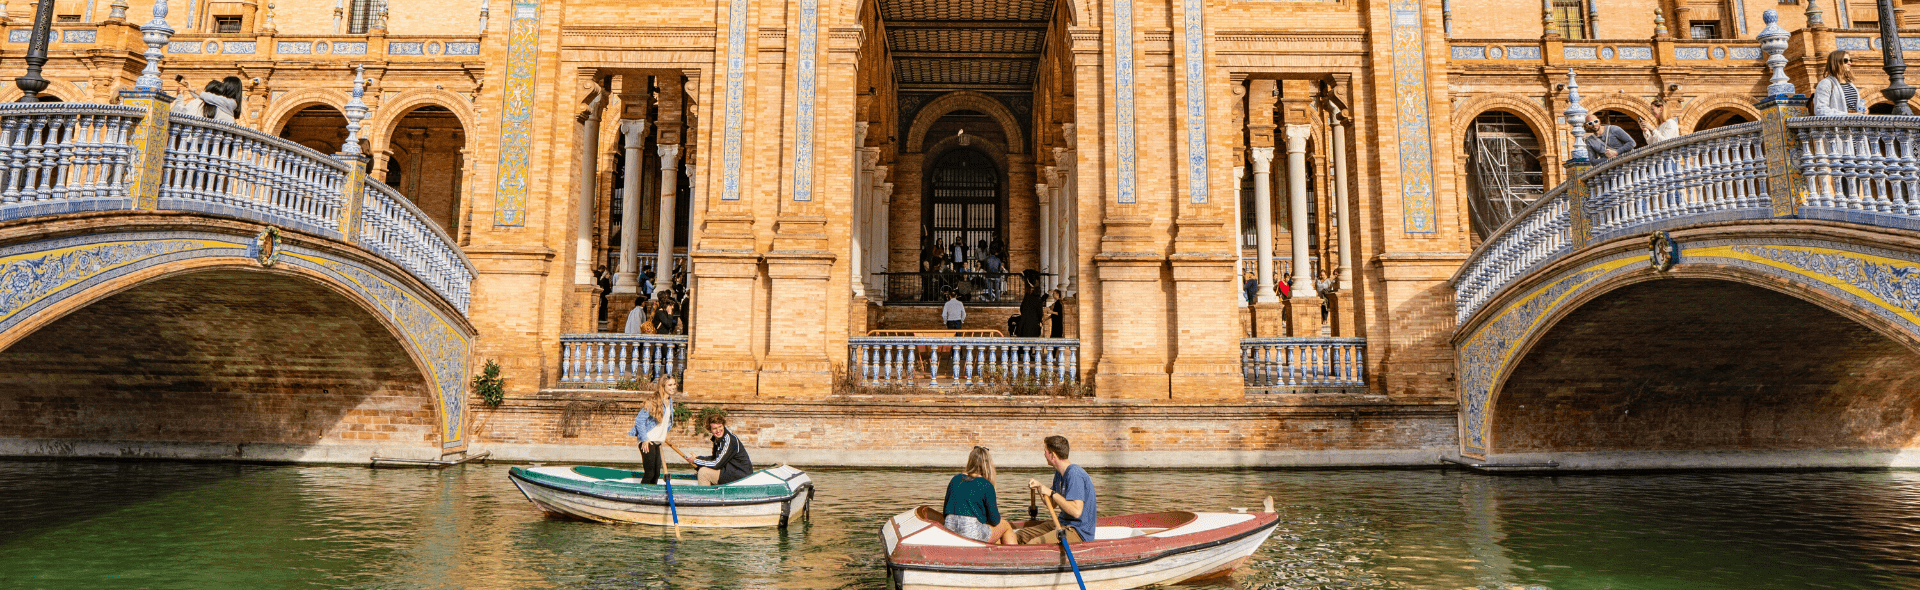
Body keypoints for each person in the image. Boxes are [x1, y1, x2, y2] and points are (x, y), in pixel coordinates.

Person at [1011, 435, 1097, 544]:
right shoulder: (1059, 474)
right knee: (1019, 535)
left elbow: (1076, 511)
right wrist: (1040, 487)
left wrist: (1051, 492)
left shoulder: (1074, 474)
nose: (1044, 455)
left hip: (1078, 531)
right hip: (1061, 523)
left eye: (1045, 451)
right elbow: (1051, 504)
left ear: (1052, 455)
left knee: (1034, 543)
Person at [942, 446, 1012, 544]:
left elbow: (945, 512)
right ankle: (1015, 555)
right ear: (987, 465)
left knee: (996, 537)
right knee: (1005, 525)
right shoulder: (986, 485)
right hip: (971, 533)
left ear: (970, 461)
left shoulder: (955, 479)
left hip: (949, 530)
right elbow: (995, 520)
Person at [627, 377, 675, 485]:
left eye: (674, 384)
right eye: (670, 385)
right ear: (663, 386)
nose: (673, 387)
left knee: (656, 473)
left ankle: (651, 496)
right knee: (650, 472)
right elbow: (639, 420)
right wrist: (644, 439)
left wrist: (661, 437)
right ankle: (641, 495)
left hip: (657, 441)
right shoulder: (653, 401)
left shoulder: (670, 402)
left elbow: (665, 424)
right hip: (647, 441)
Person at [692, 413, 752, 485]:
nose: (718, 430)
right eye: (714, 428)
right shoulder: (718, 439)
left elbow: (717, 464)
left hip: (741, 476)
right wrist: (698, 459)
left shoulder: (729, 440)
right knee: (703, 469)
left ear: (723, 425)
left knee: (703, 472)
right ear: (710, 429)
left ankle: (705, 496)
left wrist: (695, 460)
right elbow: (715, 458)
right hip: (730, 472)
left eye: (720, 427)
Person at [1813, 50, 1865, 117]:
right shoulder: (1825, 84)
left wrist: (1863, 111)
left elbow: (1854, 107)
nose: (1849, 63)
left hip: (1854, 125)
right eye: (1845, 60)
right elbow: (1820, 110)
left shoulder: (1850, 84)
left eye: (1850, 60)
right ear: (1836, 62)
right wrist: (1846, 115)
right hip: (1838, 126)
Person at [1015, 269, 1045, 337]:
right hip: (1033, 326)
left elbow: (1021, 308)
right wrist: (1039, 321)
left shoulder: (1027, 298)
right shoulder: (1037, 299)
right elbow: (1040, 312)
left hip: (1024, 326)